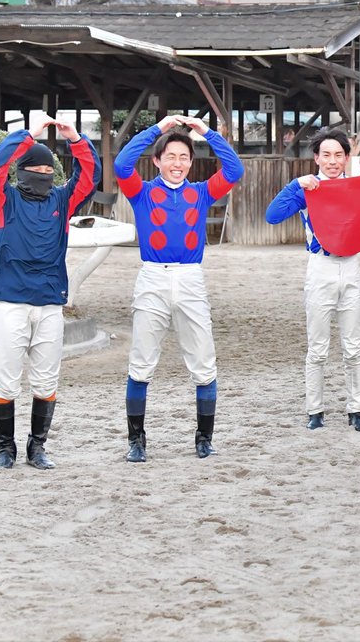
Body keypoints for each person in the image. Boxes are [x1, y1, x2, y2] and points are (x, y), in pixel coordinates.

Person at [114, 115, 243, 461]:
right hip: (153, 276)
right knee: (141, 361)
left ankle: (204, 438)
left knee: (203, 361)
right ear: (157, 161)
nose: (178, 163)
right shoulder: (142, 192)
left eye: (184, 157)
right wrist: (158, 129)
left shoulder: (200, 193)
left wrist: (205, 133)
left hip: (190, 277)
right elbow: (122, 163)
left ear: (191, 162)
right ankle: (136, 440)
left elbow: (233, 171)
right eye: (170, 156)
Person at [0, 118, 100, 469]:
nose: (45, 173)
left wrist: (76, 139)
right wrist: (28, 134)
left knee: (47, 380)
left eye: (50, 168)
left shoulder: (62, 201)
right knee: (5, 380)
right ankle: (6, 448)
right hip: (8, 302)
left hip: (50, 302)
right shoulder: (3, 199)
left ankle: (37, 447)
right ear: (22, 171)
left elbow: (89, 176)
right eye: (37, 167)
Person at [265, 127, 360, 433]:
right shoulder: (308, 188)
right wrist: (296, 183)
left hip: (350, 267)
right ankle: (315, 409)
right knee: (318, 347)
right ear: (316, 158)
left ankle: (357, 409)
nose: (332, 161)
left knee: (353, 346)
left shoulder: (357, 188)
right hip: (320, 266)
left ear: (347, 158)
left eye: (338, 155)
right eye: (326, 155)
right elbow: (273, 215)